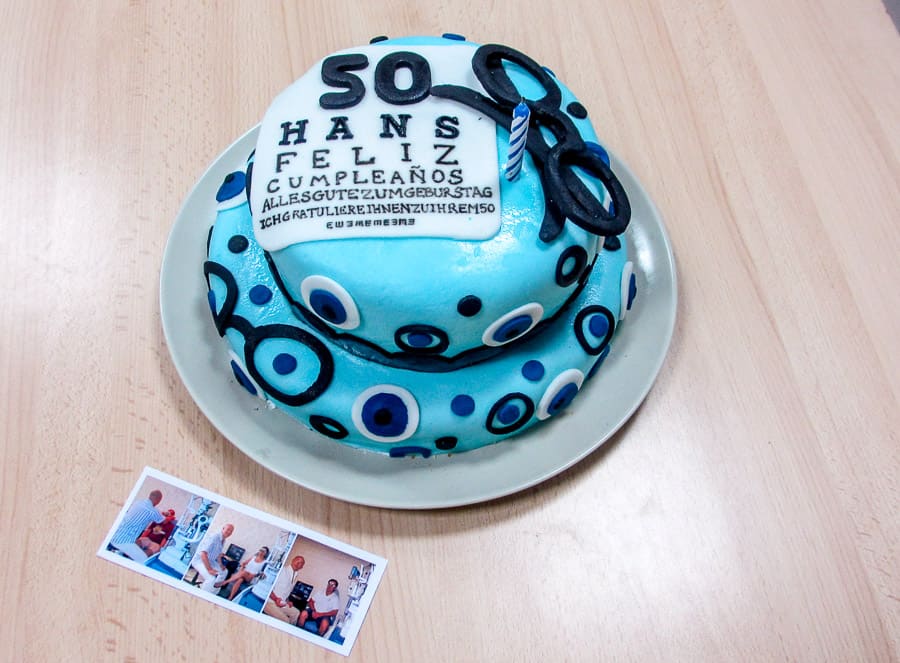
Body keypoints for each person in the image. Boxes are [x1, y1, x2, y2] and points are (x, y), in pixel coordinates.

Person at [109, 489, 164, 560]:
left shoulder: (137, 502)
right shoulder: (153, 511)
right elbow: (163, 520)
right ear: (158, 501)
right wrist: (169, 516)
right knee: (144, 558)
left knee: (146, 540)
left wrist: (163, 513)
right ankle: (124, 555)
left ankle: (124, 552)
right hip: (124, 541)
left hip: (116, 535)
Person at [190, 523, 234, 592]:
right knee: (211, 579)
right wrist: (209, 569)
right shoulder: (214, 537)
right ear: (223, 528)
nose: (229, 532)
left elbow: (218, 554)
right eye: (228, 530)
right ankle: (203, 595)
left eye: (231, 531)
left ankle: (213, 592)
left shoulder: (223, 540)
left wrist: (221, 565)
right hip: (199, 560)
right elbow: (203, 554)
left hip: (211, 561)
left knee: (224, 571)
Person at [262, 555, 306, 624]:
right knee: (286, 621)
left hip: (281, 603)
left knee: (296, 613)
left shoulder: (294, 577)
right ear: (293, 560)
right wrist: (276, 599)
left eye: (301, 563)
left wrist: (288, 601)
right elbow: (268, 587)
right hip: (269, 602)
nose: (298, 563)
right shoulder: (282, 570)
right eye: (297, 560)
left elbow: (284, 592)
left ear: (302, 567)